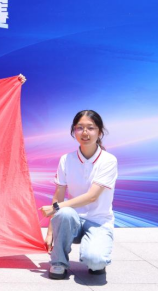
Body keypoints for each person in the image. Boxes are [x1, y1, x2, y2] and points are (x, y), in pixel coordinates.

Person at [40, 110, 118, 279]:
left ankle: (93, 255)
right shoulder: (66, 159)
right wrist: (50, 232)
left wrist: (56, 207)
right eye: (79, 127)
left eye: (91, 128)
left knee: (95, 261)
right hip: (73, 220)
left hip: (98, 221)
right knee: (65, 213)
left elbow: (92, 196)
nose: (85, 132)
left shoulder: (108, 160)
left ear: (100, 132)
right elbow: (59, 194)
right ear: (73, 131)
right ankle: (58, 262)